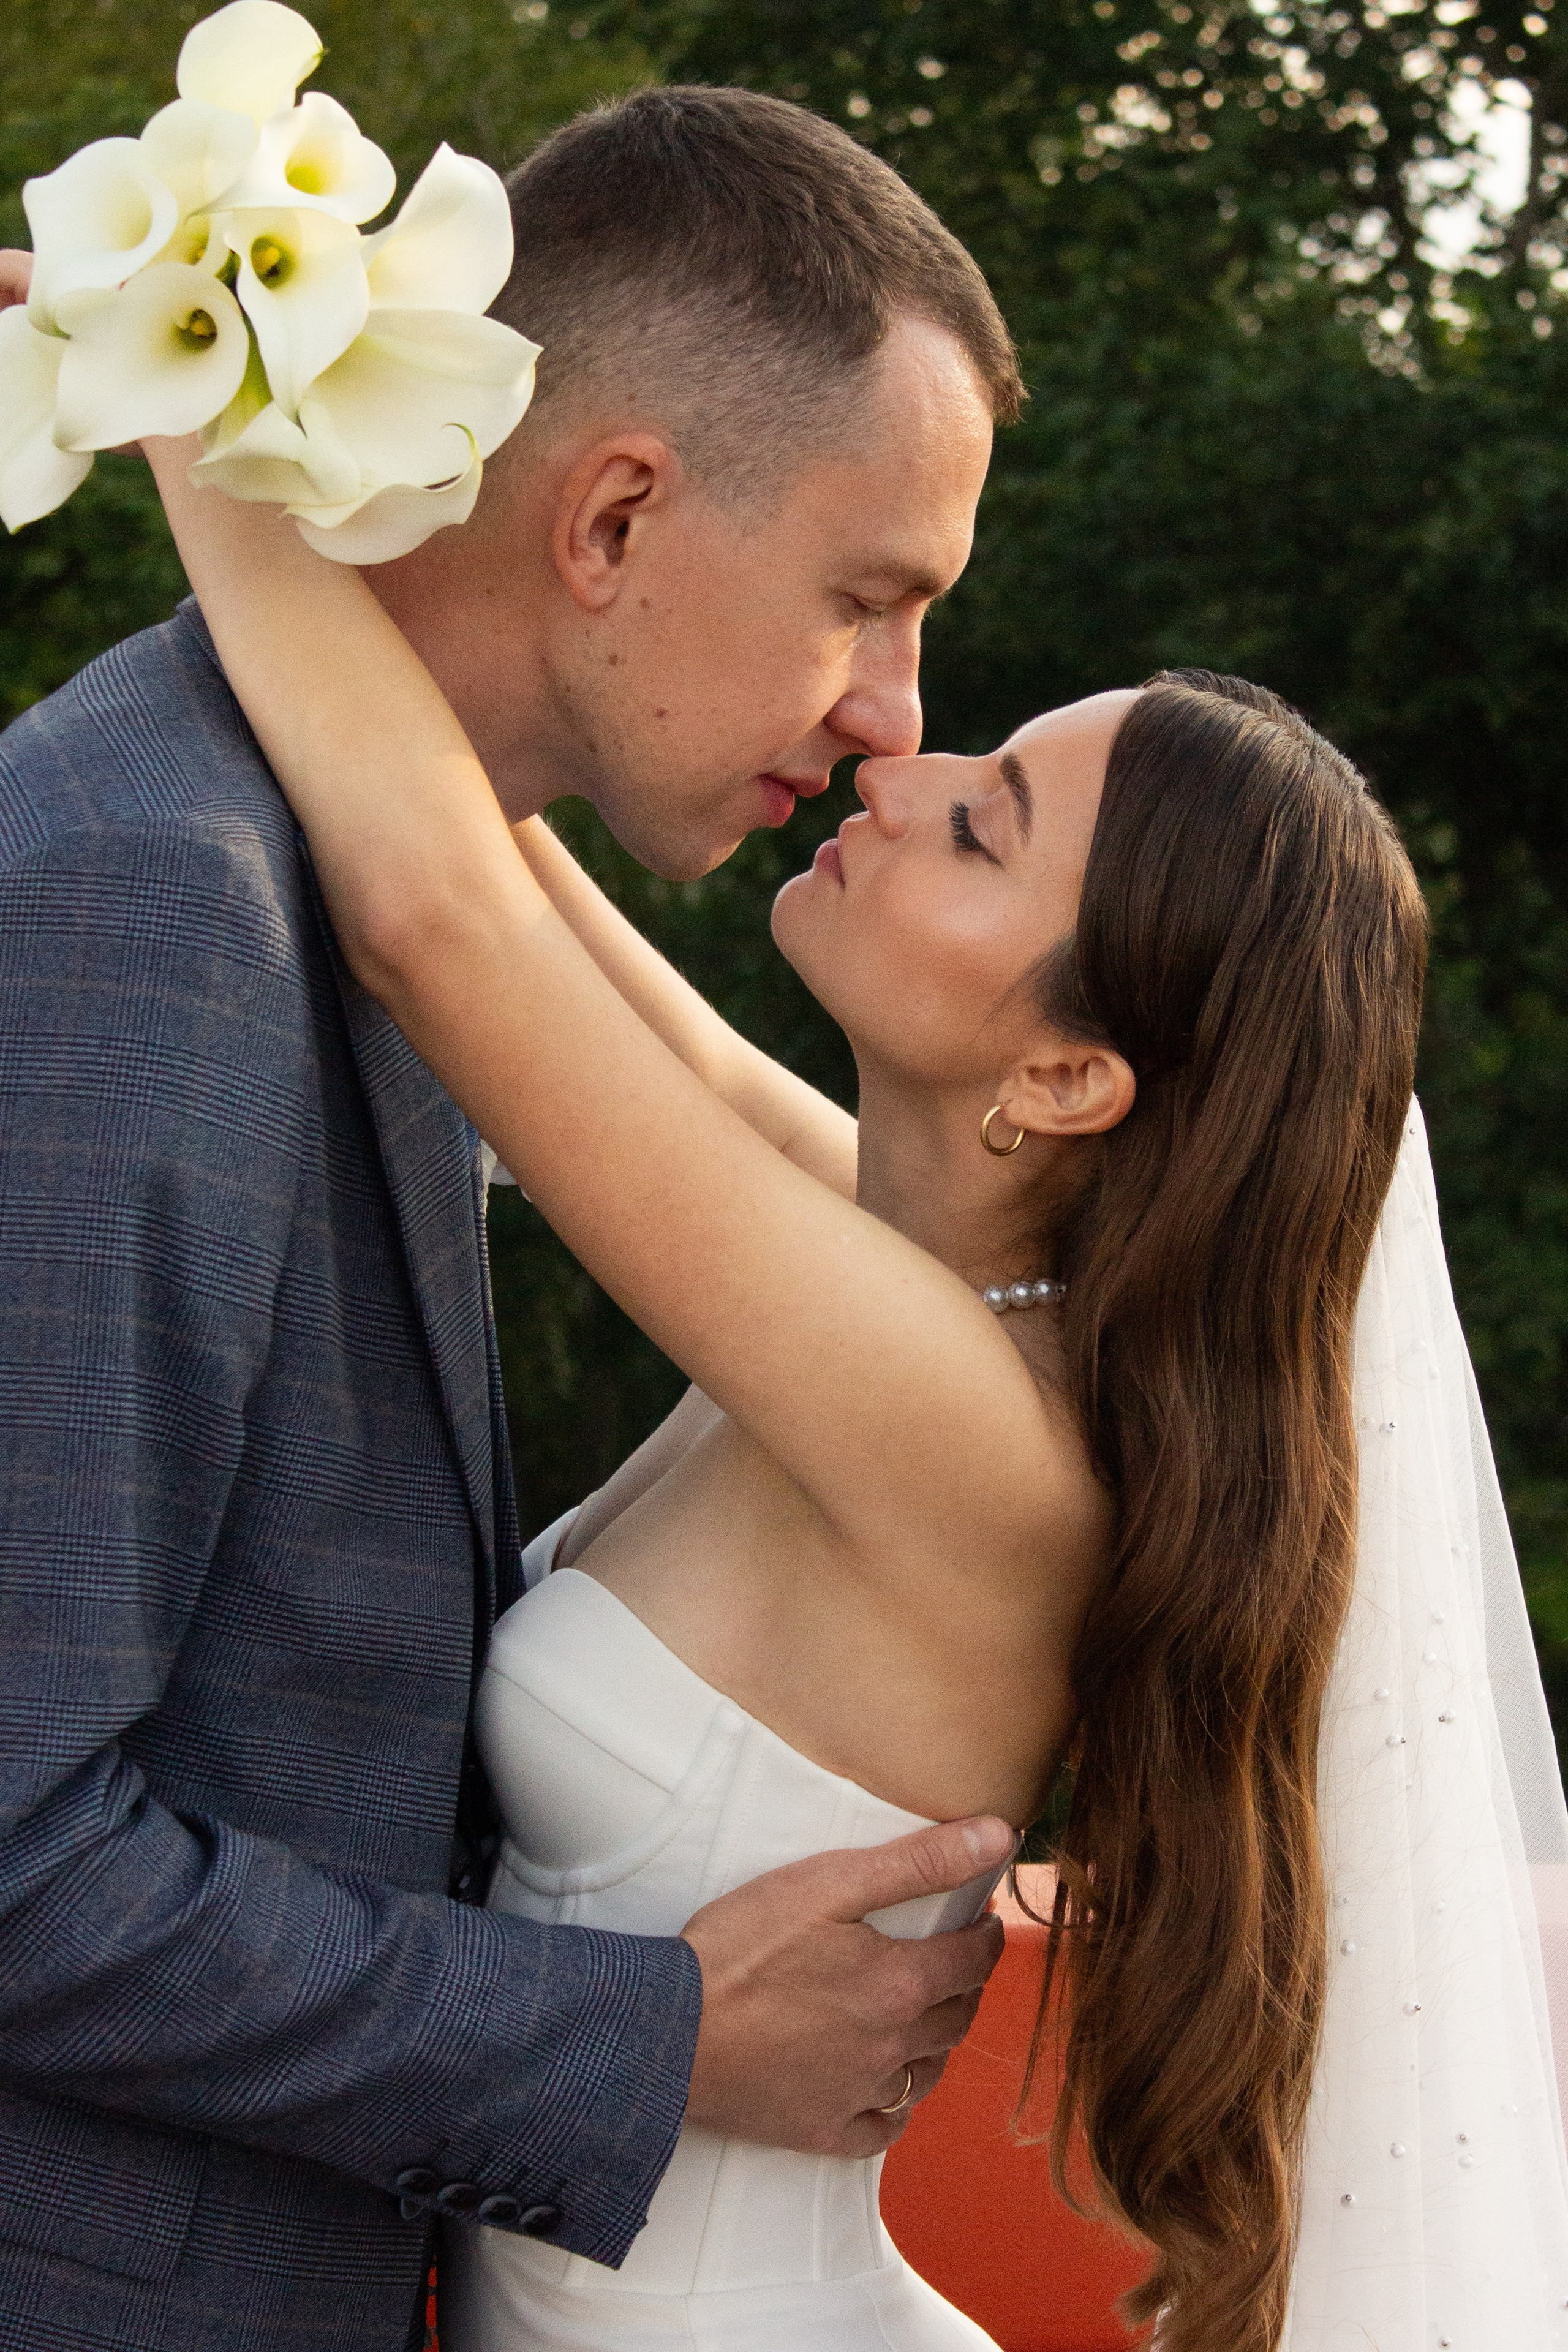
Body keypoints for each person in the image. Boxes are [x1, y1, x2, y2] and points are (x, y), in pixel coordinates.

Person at [137, 391, 1443, 2351]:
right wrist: (340, 432)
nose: (905, 768)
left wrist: (181, 414)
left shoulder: (965, 1432)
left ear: (1074, 1076)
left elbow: (439, 927)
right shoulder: (893, 1268)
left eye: (983, 826)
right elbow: (500, 863)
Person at [0, 90, 1023, 2352]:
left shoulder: (367, 882)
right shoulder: (157, 902)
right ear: (619, 512)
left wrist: (226, 441)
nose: (894, 720)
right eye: (873, 597)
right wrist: (630, 2039)